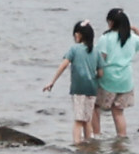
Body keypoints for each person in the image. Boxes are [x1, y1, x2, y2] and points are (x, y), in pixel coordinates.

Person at [40, 15, 100, 146]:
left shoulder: (74, 49)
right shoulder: (96, 51)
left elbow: (63, 65)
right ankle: (88, 144)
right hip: (92, 89)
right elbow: (101, 72)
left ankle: (77, 145)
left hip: (78, 89)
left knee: (78, 120)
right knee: (87, 120)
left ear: (78, 35)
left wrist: (52, 81)